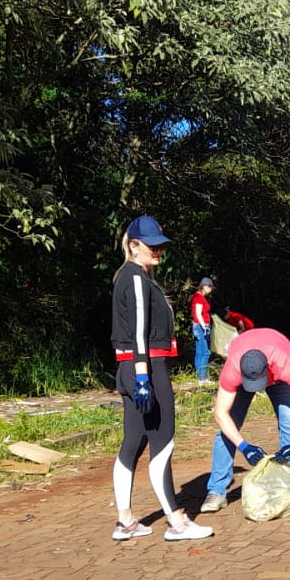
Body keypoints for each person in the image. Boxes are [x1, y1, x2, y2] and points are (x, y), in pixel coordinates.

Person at [109, 215, 212, 542]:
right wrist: (143, 378)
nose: (158, 251)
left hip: (130, 367)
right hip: (146, 368)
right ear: (133, 245)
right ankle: (177, 521)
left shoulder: (131, 277)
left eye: (160, 246)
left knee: (134, 442)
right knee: (162, 441)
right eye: (151, 246)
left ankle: (125, 522)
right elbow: (138, 332)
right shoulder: (136, 279)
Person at [198, 327, 290, 514]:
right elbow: (220, 413)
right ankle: (216, 491)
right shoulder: (232, 369)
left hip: (278, 374)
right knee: (229, 428)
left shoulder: (283, 363)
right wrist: (243, 446)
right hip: (243, 361)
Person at [190, 277, 215, 384]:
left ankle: (200, 377)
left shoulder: (198, 297)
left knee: (199, 352)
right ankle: (203, 378)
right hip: (201, 327)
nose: (211, 289)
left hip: (198, 326)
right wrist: (204, 327)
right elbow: (198, 313)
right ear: (204, 286)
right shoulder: (199, 298)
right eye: (210, 287)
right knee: (205, 352)